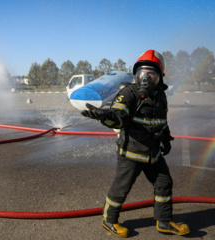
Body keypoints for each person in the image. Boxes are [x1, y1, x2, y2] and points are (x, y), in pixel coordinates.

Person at [81, 50, 190, 237]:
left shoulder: (161, 96)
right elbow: (119, 117)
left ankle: (164, 221)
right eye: (142, 73)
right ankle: (109, 220)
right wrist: (106, 117)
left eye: (151, 74)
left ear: (160, 77)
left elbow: (161, 122)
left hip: (153, 153)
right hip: (131, 152)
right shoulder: (128, 93)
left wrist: (166, 138)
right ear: (135, 75)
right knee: (121, 188)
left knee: (164, 183)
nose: (145, 78)